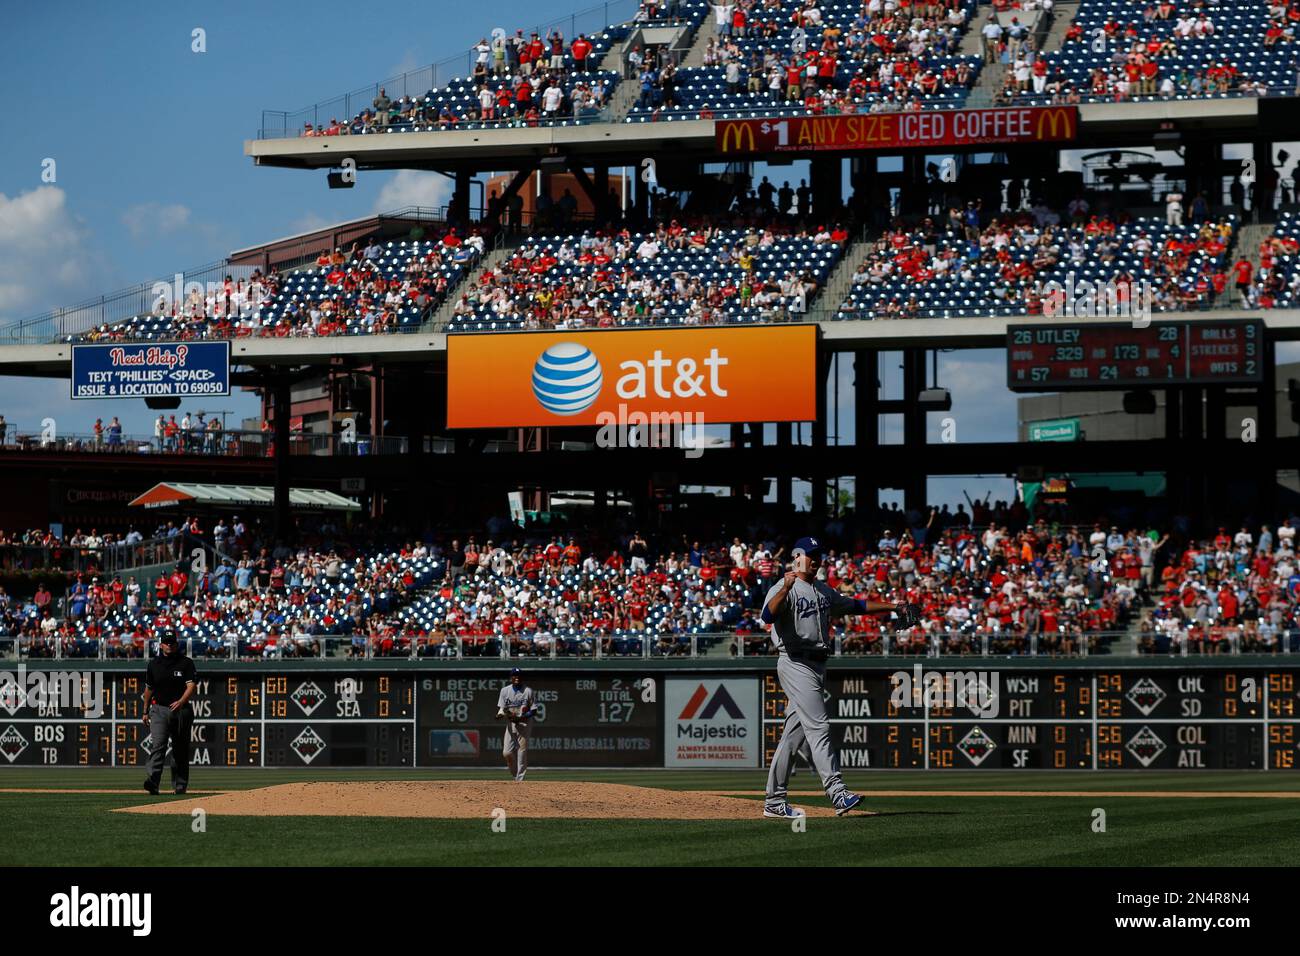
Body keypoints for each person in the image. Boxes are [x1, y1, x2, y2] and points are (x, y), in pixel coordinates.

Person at [761, 536, 920, 818]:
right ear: (797, 557)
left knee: (792, 737)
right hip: (795, 661)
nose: (816, 559)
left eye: (818, 554)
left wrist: (893, 607)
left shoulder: (823, 591)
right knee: (819, 727)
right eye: (810, 555)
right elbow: (767, 615)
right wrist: (785, 588)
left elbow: (856, 606)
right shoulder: (785, 587)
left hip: (815, 665)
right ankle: (837, 792)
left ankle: (774, 801)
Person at [141, 632, 197, 795]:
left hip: (181, 711)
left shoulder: (185, 663)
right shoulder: (154, 664)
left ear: (176, 645)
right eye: (166, 643)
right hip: (159, 709)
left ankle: (180, 785)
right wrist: (145, 711)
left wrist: (181, 702)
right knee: (158, 745)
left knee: (180, 749)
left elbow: (191, 686)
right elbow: (149, 689)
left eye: (172, 642)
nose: (169, 645)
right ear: (161, 645)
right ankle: (153, 781)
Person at [495, 667, 535, 781]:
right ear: (511, 677)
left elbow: (534, 710)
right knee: (507, 753)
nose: (517, 677)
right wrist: (500, 714)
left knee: (522, 750)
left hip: (524, 723)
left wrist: (521, 717)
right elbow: (502, 708)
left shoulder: (528, 691)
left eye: (518, 676)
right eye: (514, 675)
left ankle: (520, 778)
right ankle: (515, 775)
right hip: (510, 723)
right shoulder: (505, 691)